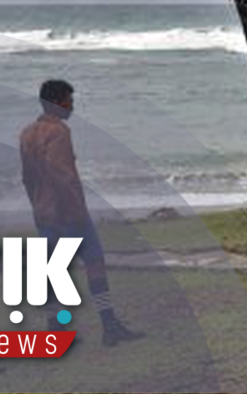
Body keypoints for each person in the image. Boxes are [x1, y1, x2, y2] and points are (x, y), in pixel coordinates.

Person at [19, 79, 144, 347]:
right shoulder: (59, 131)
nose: (72, 107)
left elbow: (27, 178)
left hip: (43, 212)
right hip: (68, 211)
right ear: (55, 102)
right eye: (68, 101)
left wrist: (37, 205)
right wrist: (76, 212)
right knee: (94, 262)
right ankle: (109, 326)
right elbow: (63, 176)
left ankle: (55, 330)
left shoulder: (27, 133)